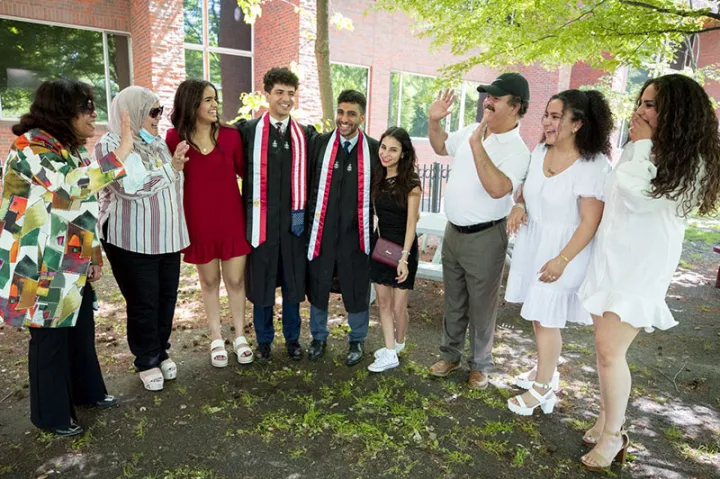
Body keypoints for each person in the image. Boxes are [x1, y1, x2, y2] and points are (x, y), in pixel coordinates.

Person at [577, 74, 720, 471]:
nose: (641, 110)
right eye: (641, 102)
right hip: (611, 258)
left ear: (678, 113)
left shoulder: (693, 162)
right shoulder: (640, 149)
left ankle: (614, 435)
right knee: (604, 350)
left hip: (641, 266)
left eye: (652, 104)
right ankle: (606, 418)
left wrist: (639, 146)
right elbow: (614, 193)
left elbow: (639, 198)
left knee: (610, 351)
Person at [0, 79, 130, 436]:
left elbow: (80, 204)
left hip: (68, 255)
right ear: (63, 111)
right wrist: (123, 151)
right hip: (37, 261)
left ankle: (89, 393)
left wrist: (93, 251)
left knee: (79, 329)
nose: (93, 114)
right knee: (49, 340)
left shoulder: (67, 147)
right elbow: (71, 185)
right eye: (85, 106)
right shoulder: (31, 146)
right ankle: (51, 416)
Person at [504, 89, 613, 416]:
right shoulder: (539, 151)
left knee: (546, 316)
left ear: (577, 123)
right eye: (546, 115)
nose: (547, 122)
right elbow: (526, 192)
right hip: (534, 243)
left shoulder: (593, 165)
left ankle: (544, 389)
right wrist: (519, 206)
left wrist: (562, 259)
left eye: (555, 117)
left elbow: (590, 223)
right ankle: (544, 371)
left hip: (567, 250)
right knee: (539, 316)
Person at [427, 73, 532, 389]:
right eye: (488, 95)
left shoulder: (518, 150)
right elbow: (440, 145)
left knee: (482, 306)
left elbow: (499, 188)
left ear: (516, 107)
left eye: (496, 98)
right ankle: (450, 355)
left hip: (486, 237)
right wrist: (433, 122)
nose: (488, 101)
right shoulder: (473, 130)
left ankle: (480, 365)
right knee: (454, 300)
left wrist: (476, 146)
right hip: (454, 232)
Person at [97, 86, 190, 391]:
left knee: (166, 297)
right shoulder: (111, 144)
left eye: (160, 110)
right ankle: (146, 358)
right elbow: (130, 188)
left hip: (166, 238)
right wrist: (172, 168)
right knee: (143, 302)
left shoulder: (157, 144)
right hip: (132, 240)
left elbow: (174, 190)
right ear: (131, 112)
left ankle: (160, 349)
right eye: (153, 111)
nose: (158, 117)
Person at [166, 79, 253, 368]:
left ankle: (240, 335)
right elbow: (169, 180)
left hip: (231, 218)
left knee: (236, 280)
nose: (214, 105)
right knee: (209, 281)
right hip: (199, 220)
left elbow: (246, 174)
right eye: (207, 99)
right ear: (192, 104)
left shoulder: (231, 136)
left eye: (215, 99)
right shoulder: (172, 139)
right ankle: (216, 337)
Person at [235, 67, 315, 361]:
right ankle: (264, 339)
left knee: (293, 285)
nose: (286, 98)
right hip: (261, 224)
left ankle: (293, 338)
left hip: (294, 224)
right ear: (266, 94)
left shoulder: (305, 135)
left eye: (291, 93)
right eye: (279, 92)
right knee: (263, 283)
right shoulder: (247, 132)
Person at [306, 90, 379, 366]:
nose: (344, 119)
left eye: (351, 113)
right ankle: (318, 337)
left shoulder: (374, 149)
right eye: (340, 112)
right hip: (322, 230)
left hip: (356, 233)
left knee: (357, 284)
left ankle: (357, 339)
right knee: (319, 281)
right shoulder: (320, 144)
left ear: (362, 116)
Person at [367, 127, 421, 373]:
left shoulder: (411, 183)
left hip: (403, 249)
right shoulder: (377, 177)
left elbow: (412, 223)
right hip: (382, 246)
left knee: (399, 306)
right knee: (383, 303)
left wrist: (404, 258)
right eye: (383, 147)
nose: (386, 154)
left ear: (403, 154)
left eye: (393, 149)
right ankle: (389, 352)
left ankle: (399, 343)